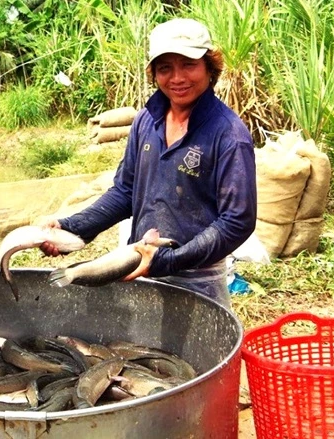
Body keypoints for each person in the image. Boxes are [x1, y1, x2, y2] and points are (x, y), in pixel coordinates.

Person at [40, 18, 257, 306]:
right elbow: (126, 191)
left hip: (198, 279)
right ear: (154, 72)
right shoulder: (147, 120)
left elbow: (237, 221)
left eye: (189, 64)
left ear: (209, 67)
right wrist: (72, 227)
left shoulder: (228, 134)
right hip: (141, 266)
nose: (177, 78)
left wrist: (169, 260)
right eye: (165, 67)